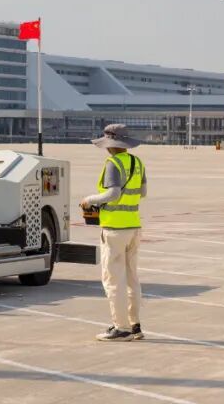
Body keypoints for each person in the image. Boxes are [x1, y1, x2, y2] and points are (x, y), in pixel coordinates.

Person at [81, 123, 147, 342]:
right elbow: (142, 192)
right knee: (132, 278)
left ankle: (121, 328)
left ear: (109, 144)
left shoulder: (113, 164)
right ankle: (135, 325)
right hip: (133, 226)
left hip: (114, 230)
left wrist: (90, 200)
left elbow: (113, 194)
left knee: (113, 280)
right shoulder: (136, 163)